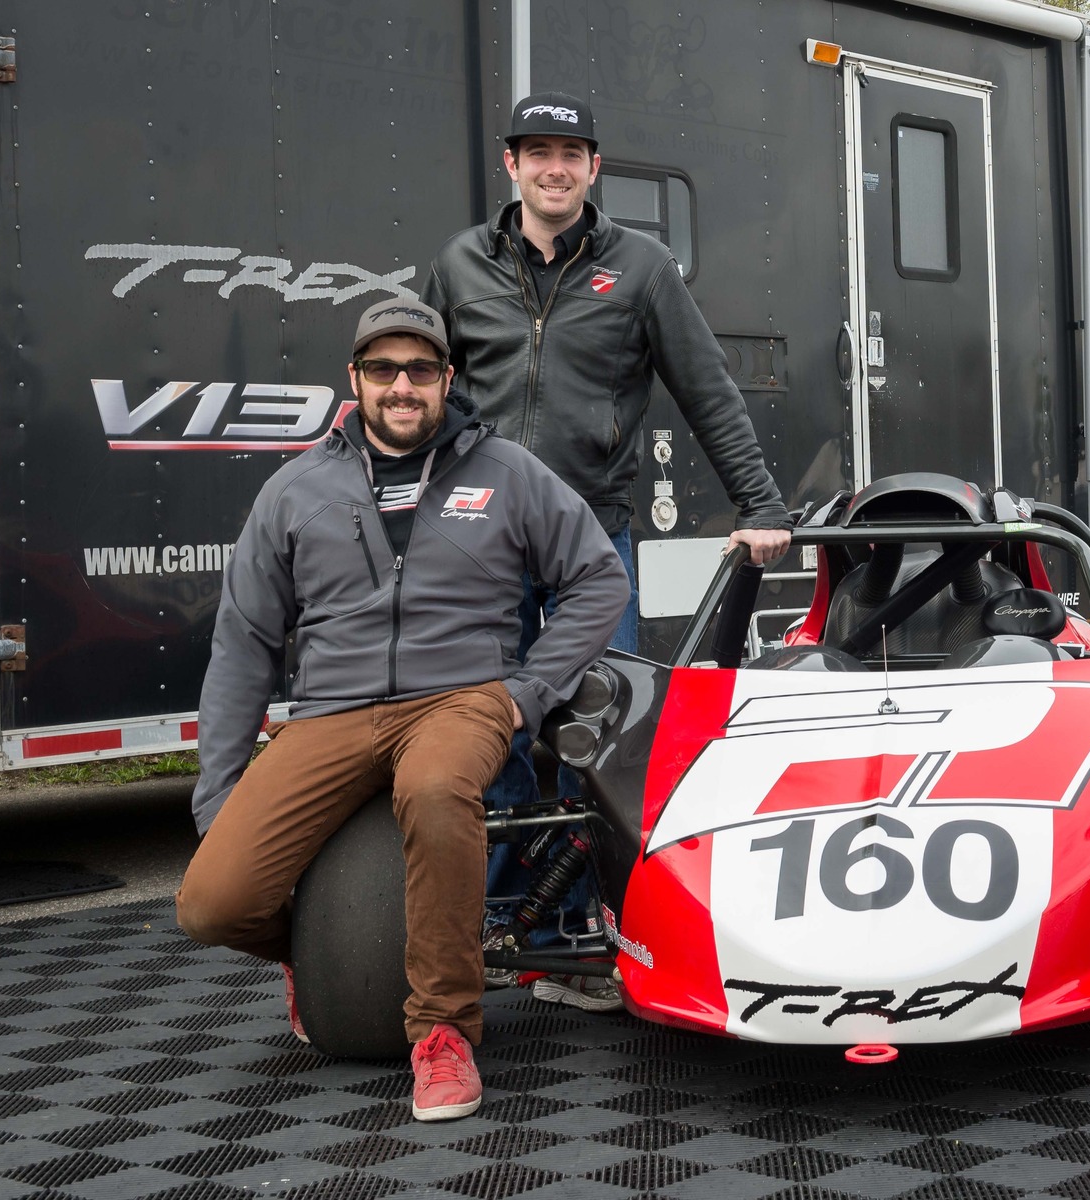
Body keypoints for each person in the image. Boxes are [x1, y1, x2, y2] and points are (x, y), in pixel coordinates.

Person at [175, 298, 628, 1122]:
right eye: (382, 369)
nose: (402, 385)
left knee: (434, 788)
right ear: (354, 380)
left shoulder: (509, 472)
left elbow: (600, 578)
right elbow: (243, 644)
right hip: (331, 711)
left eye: (420, 369)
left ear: (447, 379)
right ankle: (317, 959)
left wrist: (528, 692)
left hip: (462, 696)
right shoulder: (294, 489)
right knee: (212, 903)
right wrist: (218, 801)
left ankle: (443, 1033)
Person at [421, 91, 791, 1011]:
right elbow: (421, 391)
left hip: (589, 535)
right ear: (511, 164)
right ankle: (516, 930)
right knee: (493, 730)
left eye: (571, 153)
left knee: (602, 732)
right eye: (537, 152)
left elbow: (707, 389)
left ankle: (604, 931)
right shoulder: (461, 265)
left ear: (594, 168)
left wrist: (760, 503)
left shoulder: (642, 268)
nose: (554, 168)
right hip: (479, 539)